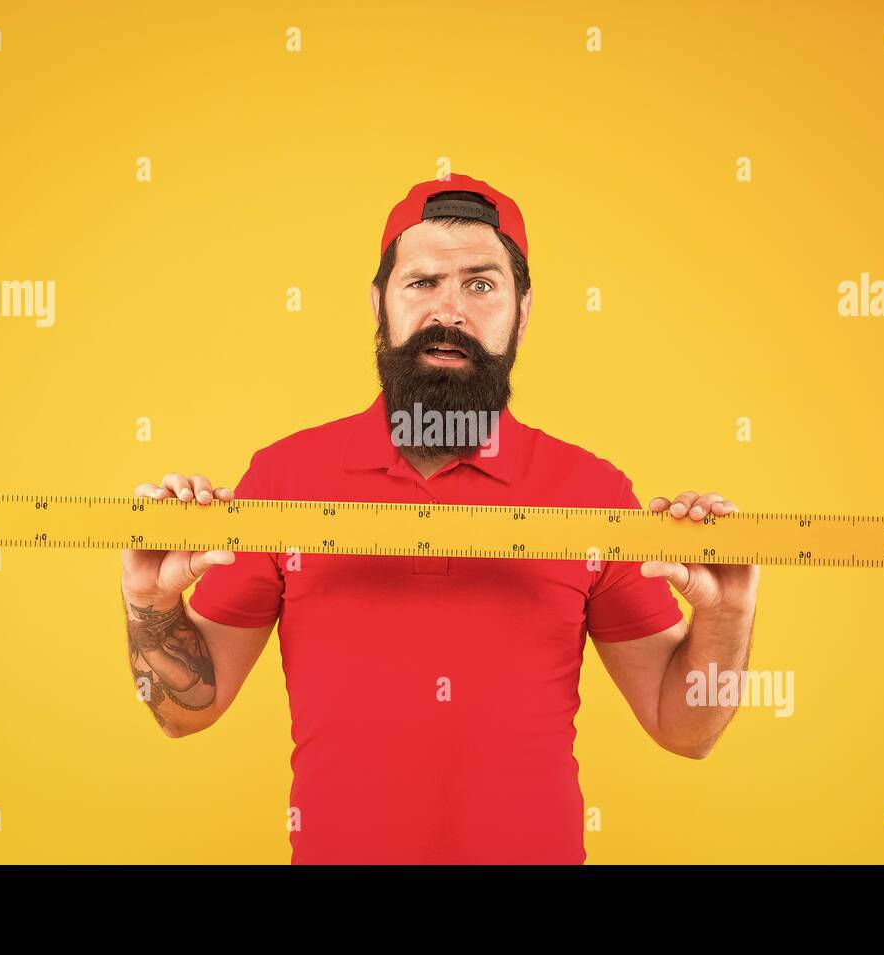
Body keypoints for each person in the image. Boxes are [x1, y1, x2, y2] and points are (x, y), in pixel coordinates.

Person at [119, 174, 761, 864]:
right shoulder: (284, 481)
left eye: (481, 285)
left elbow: (685, 728)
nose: (448, 310)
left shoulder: (590, 493)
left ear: (523, 310)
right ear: (379, 305)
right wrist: (151, 604)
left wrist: (724, 618)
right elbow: (185, 712)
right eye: (422, 282)